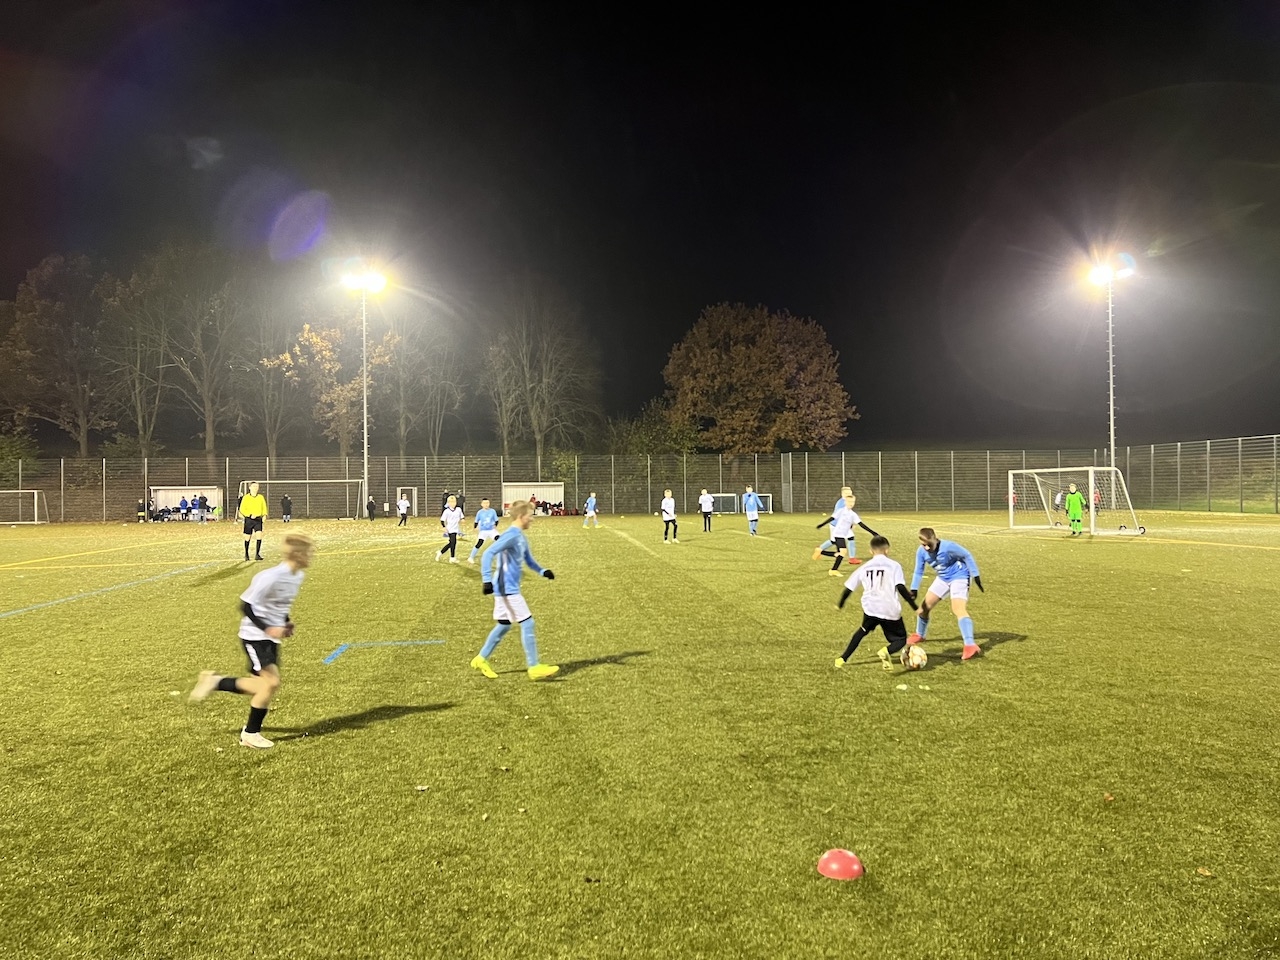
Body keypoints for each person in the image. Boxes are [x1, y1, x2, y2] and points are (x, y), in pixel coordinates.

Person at [188, 532, 315, 749]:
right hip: (255, 637)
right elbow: (245, 606)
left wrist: (286, 622)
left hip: (270, 639)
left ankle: (215, 682)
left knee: (260, 686)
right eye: (308, 552)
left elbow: (278, 604)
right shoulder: (271, 577)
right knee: (271, 683)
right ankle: (250, 734)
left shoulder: (297, 576)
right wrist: (268, 628)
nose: (311, 556)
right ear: (297, 554)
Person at [470, 499, 559, 681]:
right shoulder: (511, 535)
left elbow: (529, 560)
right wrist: (486, 580)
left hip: (507, 588)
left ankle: (480, 659)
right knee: (528, 623)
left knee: (504, 625)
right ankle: (534, 667)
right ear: (521, 516)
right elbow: (488, 553)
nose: (532, 519)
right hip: (506, 589)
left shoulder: (520, 537)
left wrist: (543, 571)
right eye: (530, 516)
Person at [834, 535, 920, 670]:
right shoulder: (894, 566)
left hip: (871, 608)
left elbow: (848, 589)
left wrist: (840, 604)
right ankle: (886, 651)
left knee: (862, 631)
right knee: (900, 639)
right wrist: (915, 607)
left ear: (871, 551)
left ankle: (842, 659)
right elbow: (900, 587)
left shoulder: (864, 567)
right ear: (887, 550)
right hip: (889, 609)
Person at [909, 527, 984, 661]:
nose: (926, 548)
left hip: (959, 576)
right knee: (923, 609)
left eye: (929, 544)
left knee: (958, 609)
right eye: (923, 545)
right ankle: (920, 634)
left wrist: (976, 575)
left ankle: (970, 645)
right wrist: (914, 589)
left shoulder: (948, 547)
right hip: (943, 578)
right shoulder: (921, 551)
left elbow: (966, 555)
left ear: (935, 539)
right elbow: (918, 571)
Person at [816, 493, 880, 574]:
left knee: (840, 554)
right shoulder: (841, 511)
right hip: (837, 534)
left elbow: (861, 525)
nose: (851, 503)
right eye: (849, 502)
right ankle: (833, 570)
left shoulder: (853, 514)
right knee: (843, 551)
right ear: (845, 502)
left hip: (843, 535)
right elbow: (832, 518)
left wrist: (873, 533)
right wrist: (821, 525)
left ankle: (821, 552)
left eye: (852, 502)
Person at [813, 486, 854, 556]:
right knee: (849, 538)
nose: (849, 494)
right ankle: (852, 558)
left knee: (835, 540)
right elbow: (838, 516)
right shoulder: (842, 503)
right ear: (842, 494)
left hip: (837, 525)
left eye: (850, 493)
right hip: (837, 525)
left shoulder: (845, 501)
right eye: (847, 493)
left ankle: (819, 549)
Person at [237, 481, 268, 561]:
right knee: (247, 537)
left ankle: (257, 554)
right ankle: (246, 554)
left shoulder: (260, 497)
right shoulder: (246, 498)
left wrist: (264, 515)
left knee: (259, 535)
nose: (255, 488)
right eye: (254, 486)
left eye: (257, 486)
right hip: (249, 519)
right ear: (250, 488)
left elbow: (264, 507)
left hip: (258, 519)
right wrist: (249, 515)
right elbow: (242, 509)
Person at [469, 497, 499, 564]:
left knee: (499, 540)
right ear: (481, 504)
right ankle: (471, 557)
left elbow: (496, 520)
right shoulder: (480, 512)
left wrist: (495, 525)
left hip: (491, 530)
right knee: (479, 543)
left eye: (487, 503)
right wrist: (475, 527)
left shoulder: (492, 511)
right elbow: (476, 521)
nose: (486, 504)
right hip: (483, 531)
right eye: (484, 503)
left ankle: (499, 557)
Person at [437, 494, 464, 562]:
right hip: (450, 529)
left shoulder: (458, 509)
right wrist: (444, 527)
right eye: (451, 502)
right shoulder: (446, 511)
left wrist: (462, 519)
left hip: (456, 529)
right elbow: (442, 520)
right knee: (453, 542)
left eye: (454, 502)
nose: (452, 503)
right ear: (448, 503)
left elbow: (462, 517)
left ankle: (440, 552)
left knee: (452, 543)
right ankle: (452, 558)